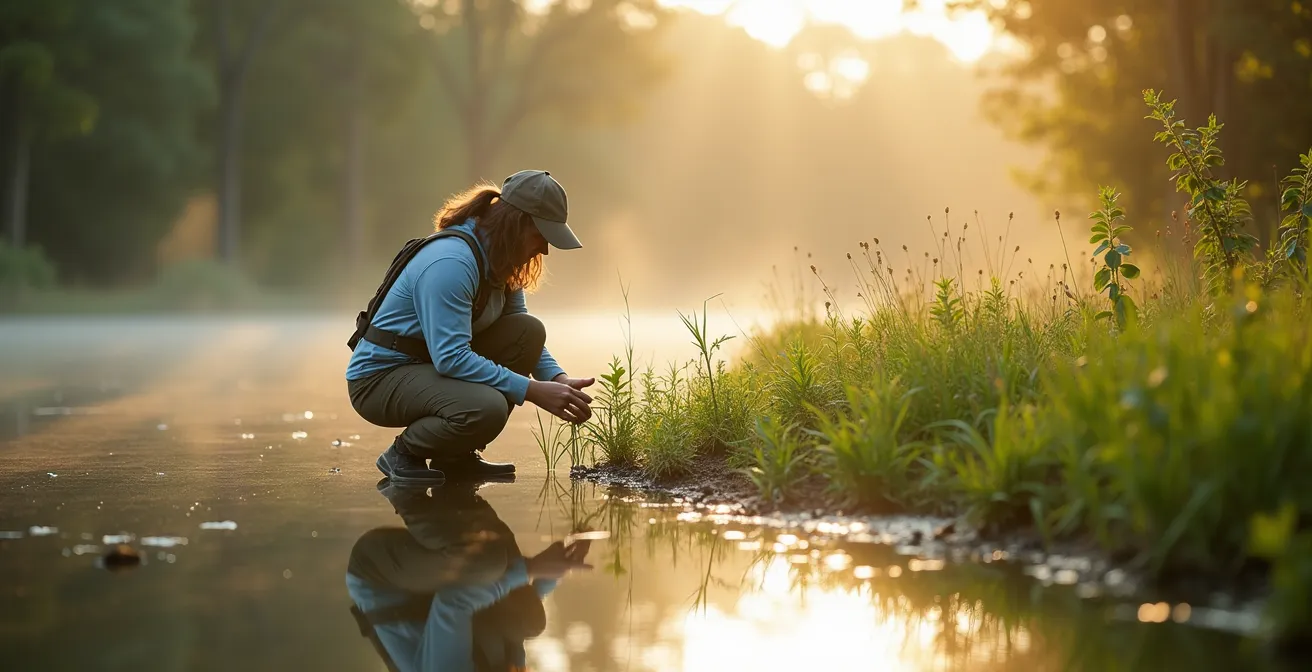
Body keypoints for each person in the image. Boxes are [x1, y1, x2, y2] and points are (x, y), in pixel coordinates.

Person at [346, 170, 595, 485]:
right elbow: (450, 358)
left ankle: (455, 455)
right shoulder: (451, 263)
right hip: (379, 379)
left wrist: (558, 380)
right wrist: (532, 391)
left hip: (427, 365)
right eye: (542, 236)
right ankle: (404, 453)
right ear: (517, 224)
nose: (545, 250)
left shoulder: (501, 258)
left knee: (528, 331)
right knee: (487, 408)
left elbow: (520, 333)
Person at [346, 479, 593, 672]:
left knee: (489, 564)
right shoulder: (509, 663)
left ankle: (403, 489)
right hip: (426, 588)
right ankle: (454, 476)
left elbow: (454, 602)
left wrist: (532, 568)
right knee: (526, 620)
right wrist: (562, 564)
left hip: (377, 572)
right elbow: (522, 602)